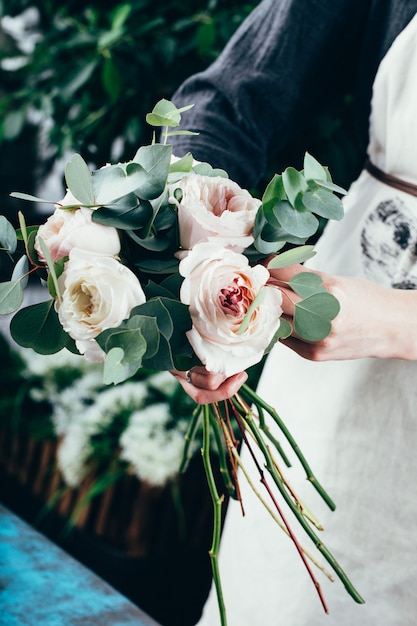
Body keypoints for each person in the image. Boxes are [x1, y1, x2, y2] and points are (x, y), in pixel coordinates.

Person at [169, 1, 417, 624]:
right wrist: (198, 259)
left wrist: (397, 322)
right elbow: (232, 101)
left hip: (365, 316)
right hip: (345, 344)